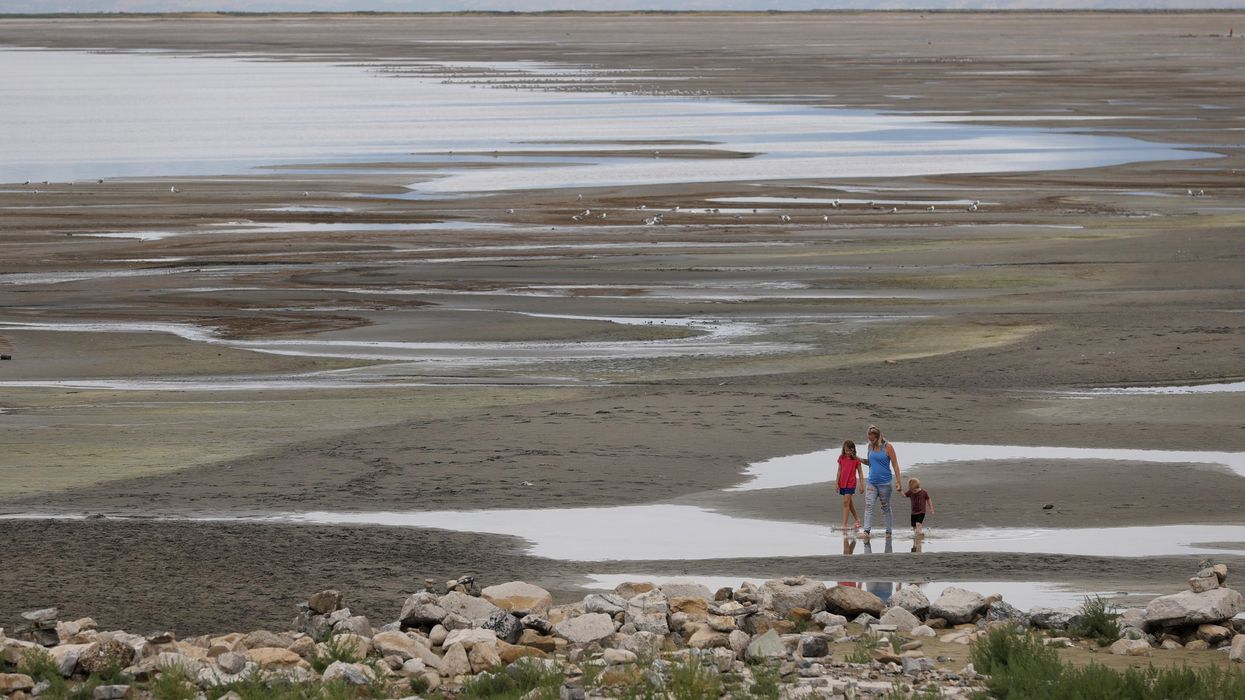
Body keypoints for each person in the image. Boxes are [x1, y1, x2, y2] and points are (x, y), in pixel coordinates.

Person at [861, 424, 902, 538]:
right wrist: (858, 459)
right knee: (869, 506)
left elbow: (895, 465)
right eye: (869, 438)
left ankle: (888, 532)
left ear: (878, 436)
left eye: (873, 438)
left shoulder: (888, 447)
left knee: (886, 507)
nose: (871, 441)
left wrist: (898, 482)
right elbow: (870, 463)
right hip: (871, 482)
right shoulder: (870, 447)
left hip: (885, 483)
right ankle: (866, 531)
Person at [836, 440, 865, 531]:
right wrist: (837, 483)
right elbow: (839, 471)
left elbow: (860, 473)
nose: (847, 453)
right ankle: (857, 519)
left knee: (845, 502)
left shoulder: (856, 460)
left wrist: (862, 485)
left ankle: (844, 524)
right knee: (849, 502)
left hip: (851, 483)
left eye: (849, 451)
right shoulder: (841, 458)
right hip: (843, 482)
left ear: (853, 450)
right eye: (846, 451)